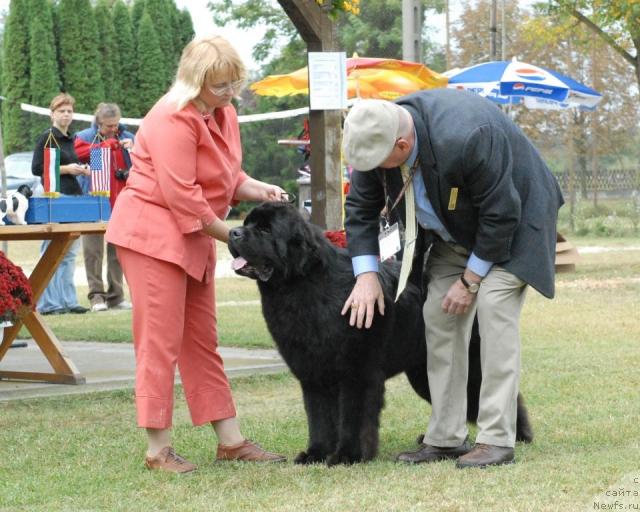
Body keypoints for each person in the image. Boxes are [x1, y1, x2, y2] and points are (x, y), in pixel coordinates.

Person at [341, 90, 564, 468]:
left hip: (514, 226)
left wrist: (471, 281)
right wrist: (366, 276)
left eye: (379, 164)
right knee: (438, 316)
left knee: (494, 312)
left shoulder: (466, 135)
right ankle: (445, 438)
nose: (373, 171)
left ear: (402, 144)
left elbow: (502, 215)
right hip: (453, 231)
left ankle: (496, 439)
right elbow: (360, 212)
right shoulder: (374, 139)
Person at [105, 35, 288, 473]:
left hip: (194, 237)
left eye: (234, 83)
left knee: (202, 342)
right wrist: (239, 239)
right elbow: (183, 195)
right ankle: (157, 451)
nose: (230, 93)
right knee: (159, 343)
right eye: (221, 85)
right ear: (195, 80)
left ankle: (231, 442)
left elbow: (227, 174)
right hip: (152, 237)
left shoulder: (224, 114)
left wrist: (256, 187)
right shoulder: (171, 117)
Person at [31, 93, 90, 316]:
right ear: (52, 114)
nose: (66, 114)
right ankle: (49, 303)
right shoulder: (47, 137)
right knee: (51, 251)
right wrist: (67, 169)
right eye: (61, 111)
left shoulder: (69, 139)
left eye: (69, 111)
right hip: (54, 197)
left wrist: (82, 169)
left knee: (69, 253)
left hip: (72, 197)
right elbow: (37, 168)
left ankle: (68, 300)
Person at [74, 103, 134, 312]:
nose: (113, 129)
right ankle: (96, 296)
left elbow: (142, 163)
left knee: (118, 251)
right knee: (93, 251)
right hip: (94, 203)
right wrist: (104, 145)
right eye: (109, 126)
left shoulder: (127, 136)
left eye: (116, 125)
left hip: (122, 203)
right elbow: (77, 155)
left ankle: (116, 296)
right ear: (98, 123)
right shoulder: (85, 136)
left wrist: (132, 149)